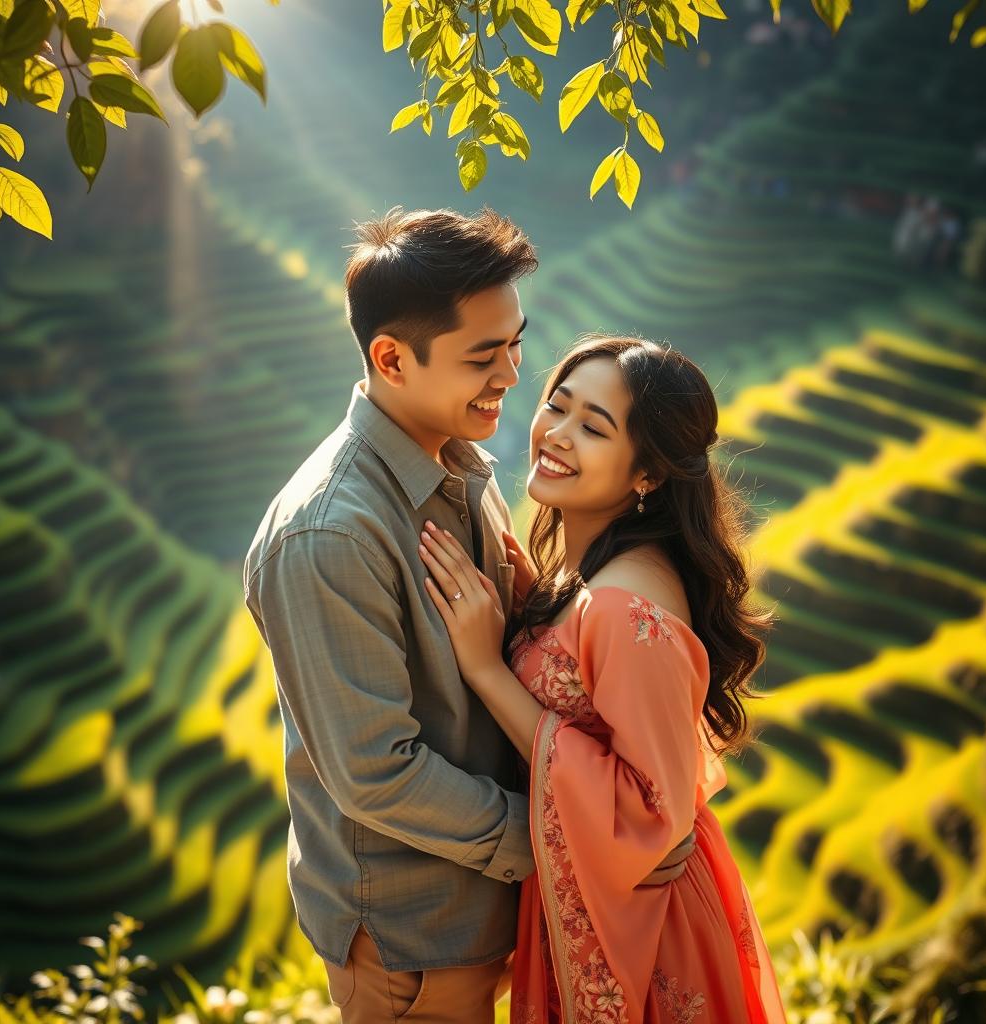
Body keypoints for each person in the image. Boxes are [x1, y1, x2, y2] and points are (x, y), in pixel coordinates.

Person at [243, 210, 694, 1024]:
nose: (514, 376)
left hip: (498, 913)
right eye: (484, 357)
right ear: (390, 357)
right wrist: (575, 846)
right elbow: (377, 771)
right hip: (416, 938)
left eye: (517, 344)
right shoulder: (330, 534)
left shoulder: (460, 463)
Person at [419, 336, 788, 1023]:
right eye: (557, 408)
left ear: (646, 474)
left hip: (650, 935)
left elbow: (648, 809)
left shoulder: (625, 609)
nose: (556, 436)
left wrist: (485, 668)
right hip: (628, 908)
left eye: (593, 427)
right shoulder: (590, 576)